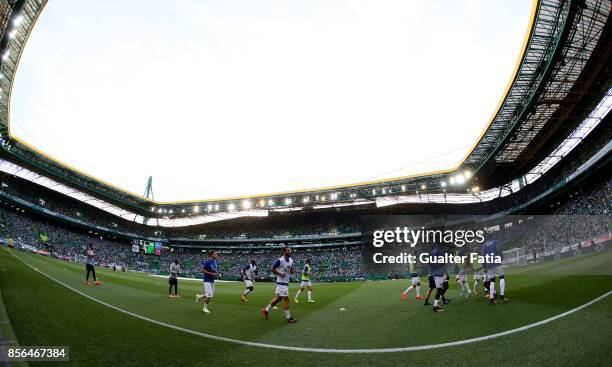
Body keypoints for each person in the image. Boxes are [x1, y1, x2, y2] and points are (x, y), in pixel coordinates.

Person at [262, 247, 297, 323]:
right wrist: (279, 273)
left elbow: (290, 271)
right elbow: (272, 269)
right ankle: (288, 318)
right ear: (284, 252)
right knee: (286, 299)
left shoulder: (291, 261)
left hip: (286, 283)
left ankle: (266, 310)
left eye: (290, 250)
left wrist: (293, 271)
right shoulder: (279, 260)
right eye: (288, 250)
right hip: (281, 283)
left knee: (278, 299)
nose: (290, 251)